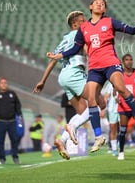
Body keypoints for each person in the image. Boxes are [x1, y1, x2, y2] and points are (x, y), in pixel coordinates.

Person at [47, 0, 135, 154]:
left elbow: (130, 30)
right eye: (97, 2)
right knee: (91, 99)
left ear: (104, 10)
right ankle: (98, 137)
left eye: (102, 4)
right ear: (90, 7)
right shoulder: (84, 28)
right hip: (94, 68)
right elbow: (75, 49)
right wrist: (59, 56)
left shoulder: (110, 22)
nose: (99, 4)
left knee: (120, 87)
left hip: (111, 63)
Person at [33, 11, 102, 159]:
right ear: (75, 24)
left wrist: (42, 81)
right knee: (99, 102)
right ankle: (72, 128)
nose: (86, 22)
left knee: (83, 112)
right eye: (82, 21)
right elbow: (88, 51)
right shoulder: (80, 35)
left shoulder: (64, 39)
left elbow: (53, 60)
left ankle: (61, 140)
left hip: (64, 76)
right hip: (74, 74)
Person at [0, 77, 22, 165]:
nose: (4, 84)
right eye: (2, 83)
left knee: (14, 139)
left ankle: (15, 157)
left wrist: (19, 114)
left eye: (5, 83)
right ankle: (2, 158)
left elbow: (18, 104)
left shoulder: (12, 94)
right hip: (0, 121)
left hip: (12, 121)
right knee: (1, 140)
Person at [103, 82, 119, 156]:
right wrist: (103, 109)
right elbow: (106, 96)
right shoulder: (110, 84)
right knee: (113, 129)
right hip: (112, 109)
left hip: (122, 108)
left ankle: (119, 146)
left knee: (122, 128)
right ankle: (114, 148)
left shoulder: (125, 80)